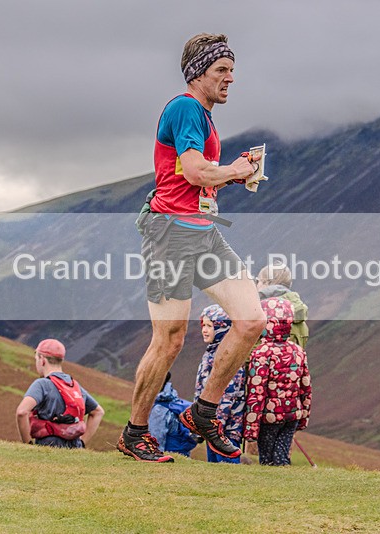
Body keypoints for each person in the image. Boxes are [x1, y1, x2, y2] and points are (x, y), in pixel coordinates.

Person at [117, 33, 266, 463]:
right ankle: (135, 433)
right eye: (222, 70)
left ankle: (203, 412)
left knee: (252, 320)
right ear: (198, 73)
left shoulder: (203, 116)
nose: (230, 79)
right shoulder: (185, 107)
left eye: (232, 71)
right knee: (169, 340)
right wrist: (232, 170)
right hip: (169, 234)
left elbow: (198, 174)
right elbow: (198, 172)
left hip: (202, 232)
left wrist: (235, 173)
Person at [243, 297, 312, 466]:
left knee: (266, 458)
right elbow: (306, 387)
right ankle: (284, 476)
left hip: (269, 416)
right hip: (292, 414)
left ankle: (270, 484)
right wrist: (304, 415)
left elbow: (256, 391)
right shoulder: (298, 351)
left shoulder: (261, 353)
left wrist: (251, 428)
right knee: (282, 454)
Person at [15, 339, 104, 449]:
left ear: (42, 360)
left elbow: (22, 412)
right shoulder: (74, 385)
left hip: (47, 447)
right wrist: (82, 443)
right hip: (75, 449)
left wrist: (28, 444)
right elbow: (98, 412)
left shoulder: (42, 384)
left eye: (36, 359)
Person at [195, 304, 246, 463]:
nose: (204, 329)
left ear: (223, 328)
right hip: (212, 428)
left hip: (225, 431)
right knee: (214, 470)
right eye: (204, 325)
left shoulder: (228, 357)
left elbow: (227, 395)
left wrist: (215, 425)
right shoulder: (211, 353)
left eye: (210, 326)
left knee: (227, 469)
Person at [256, 264, 310, 349]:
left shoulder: (262, 312)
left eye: (258, 281)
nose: (256, 285)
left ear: (266, 282)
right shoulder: (299, 314)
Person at [148, 372, 199, 457]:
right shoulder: (175, 402)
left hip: (168, 454)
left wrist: (153, 456)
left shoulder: (159, 410)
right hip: (182, 453)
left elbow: (156, 438)